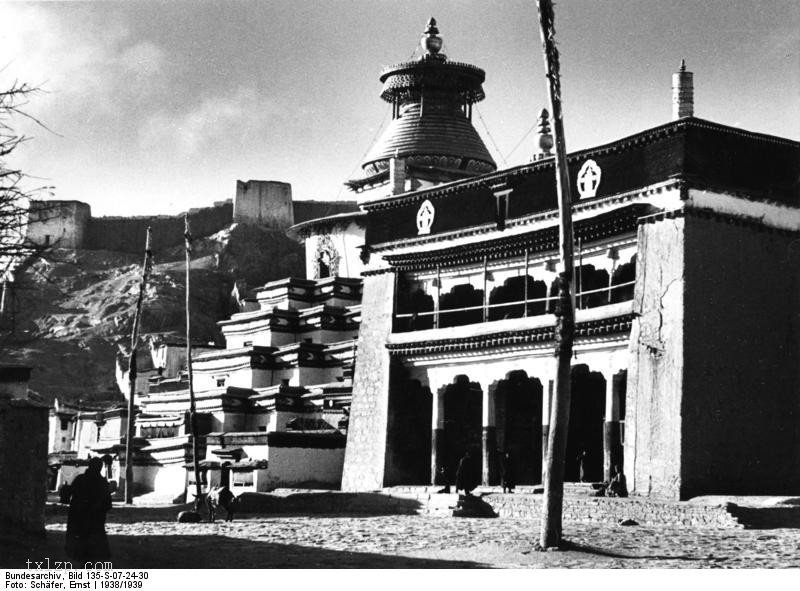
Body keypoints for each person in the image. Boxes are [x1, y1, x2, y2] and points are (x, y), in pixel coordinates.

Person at [65, 457, 112, 563]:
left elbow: (69, 495)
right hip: (95, 518)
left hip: (80, 517)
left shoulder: (80, 479)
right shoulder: (102, 482)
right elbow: (108, 504)